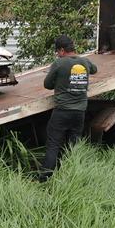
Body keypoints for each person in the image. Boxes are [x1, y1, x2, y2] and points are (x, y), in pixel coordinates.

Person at [38, 35, 97, 181]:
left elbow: (47, 84)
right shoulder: (85, 61)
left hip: (62, 111)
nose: (57, 54)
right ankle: (72, 176)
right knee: (73, 144)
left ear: (62, 50)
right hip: (80, 112)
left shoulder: (59, 63)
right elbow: (94, 70)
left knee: (53, 145)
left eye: (57, 51)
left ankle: (45, 178)